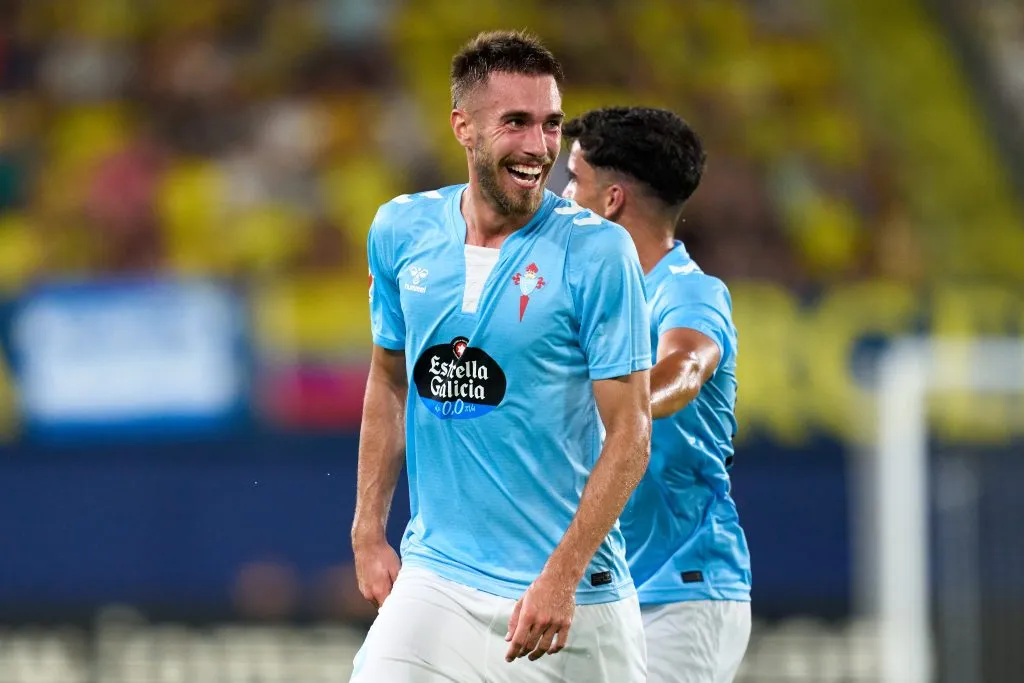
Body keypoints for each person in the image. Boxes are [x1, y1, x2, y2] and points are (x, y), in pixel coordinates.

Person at [350, 31, 652, 683]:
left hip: (571, 598)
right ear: (463, 126)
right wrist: (368, 529)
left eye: (551, 125)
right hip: (439, 576)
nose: (540, 146)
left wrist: (560, 576)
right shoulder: (400, 230)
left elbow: (631, 434)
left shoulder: (598, 254)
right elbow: (389, 378)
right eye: (516, 122)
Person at [562, 106, 752, 683]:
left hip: (683, 593)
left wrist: (621, 403)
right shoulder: (586, 300)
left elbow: (686, 368)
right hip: (606, 591)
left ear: (612, 199)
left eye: (574, 180)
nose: (563, 197)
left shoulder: (688, 292)